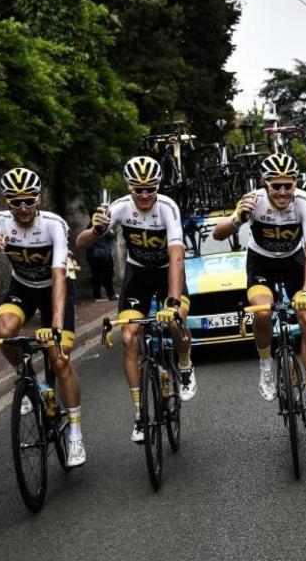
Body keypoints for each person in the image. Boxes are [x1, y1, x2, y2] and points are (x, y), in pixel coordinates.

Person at [0, 168, 85, 467]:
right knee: (5, 331)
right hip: (23, 288)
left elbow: (59, 275)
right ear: (7, 202)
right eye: (16, 203)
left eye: (29, 201)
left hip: (56, 287)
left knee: (59, 358)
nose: (24, 209)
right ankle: (30, 382)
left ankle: (76, 434)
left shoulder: (54, 224)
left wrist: (53, 327)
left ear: (38, 199)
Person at [75, 156, 196, 444]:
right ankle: (140, 414)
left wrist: (173, 301)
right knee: (129, 337)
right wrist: (97, 229)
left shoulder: (167, 208)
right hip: (137, 276)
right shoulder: (118, 208)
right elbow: (80, 243)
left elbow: (177, 256)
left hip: (167, 272)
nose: (144, 195)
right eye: (138, 189)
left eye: (150, 189)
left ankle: (185, 362)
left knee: (178, 321)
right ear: (129, 187)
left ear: (157, 187)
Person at [211, 153, 306, 424]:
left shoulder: (304, 201)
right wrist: (238, 218)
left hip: (294, 261)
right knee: (262, 313)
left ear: (296, 184)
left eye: (289, 185)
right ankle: (266, 363)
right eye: (277, 186)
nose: (284, 192)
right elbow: (218, 234)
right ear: (265, 184)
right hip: (261, 261)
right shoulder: (253, 200)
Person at [85, 229, 117, 301]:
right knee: (102, 276)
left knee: (103, 276)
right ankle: (107, 295)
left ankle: (105, 295)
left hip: (101, 255)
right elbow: (110, 236)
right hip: (100, 255)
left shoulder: (106, 228)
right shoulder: (98, 227)